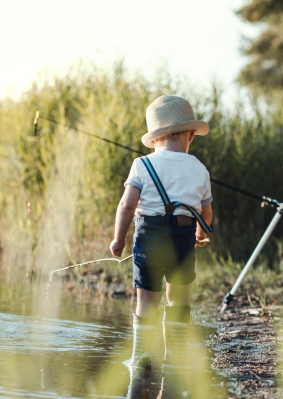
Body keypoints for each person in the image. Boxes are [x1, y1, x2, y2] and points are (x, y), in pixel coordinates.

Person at [110, 95, 213, 369]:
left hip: (149, 236)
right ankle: (174, 359)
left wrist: (119, 238)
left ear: (155, 139)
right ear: (190, 135)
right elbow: (206, 212)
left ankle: (140, 357)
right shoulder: (199, 168)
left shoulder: (141, 165)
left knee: (147, 299)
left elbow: (126, 205)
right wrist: (201, 236)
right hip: (183, 236)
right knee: (179, 298)